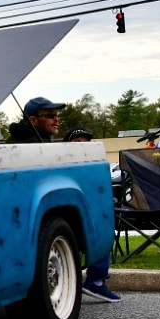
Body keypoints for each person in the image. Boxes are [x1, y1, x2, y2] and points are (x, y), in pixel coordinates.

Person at [62, 127, 122, 303]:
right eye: (77, 142)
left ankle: (96, 280)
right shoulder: (61, 165)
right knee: (97, 226)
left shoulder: (94, 167)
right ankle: (95, 281)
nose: (82, 146)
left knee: (101, 223)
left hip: (85, 218)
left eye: (85, 142)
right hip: (68, 220)